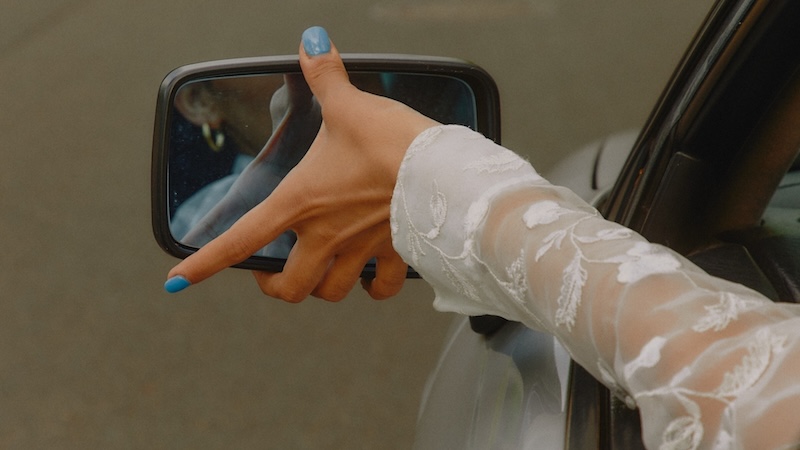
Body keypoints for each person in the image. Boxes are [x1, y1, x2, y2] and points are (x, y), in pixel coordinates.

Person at [164, 27, 800, 449]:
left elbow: (738, 375)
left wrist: (431, 179)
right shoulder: (205, 209)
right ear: (199, 108)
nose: (290, 89)